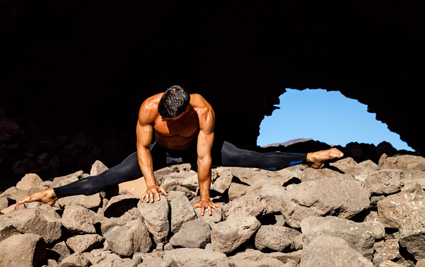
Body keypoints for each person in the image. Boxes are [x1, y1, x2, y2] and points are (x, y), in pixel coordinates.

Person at [3, 85, 343, 215]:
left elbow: (205, 156)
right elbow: (142, 147)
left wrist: (205, 195)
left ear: (186, 112)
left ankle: (307, 157)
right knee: (105, 178)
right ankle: (52, 193)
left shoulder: (204, 111)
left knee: (255, 158)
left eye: (174, 117)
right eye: (163, 115)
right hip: (161, 152)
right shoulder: (149, 108)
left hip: (196, 151)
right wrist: (150, 183)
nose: (167, 119)